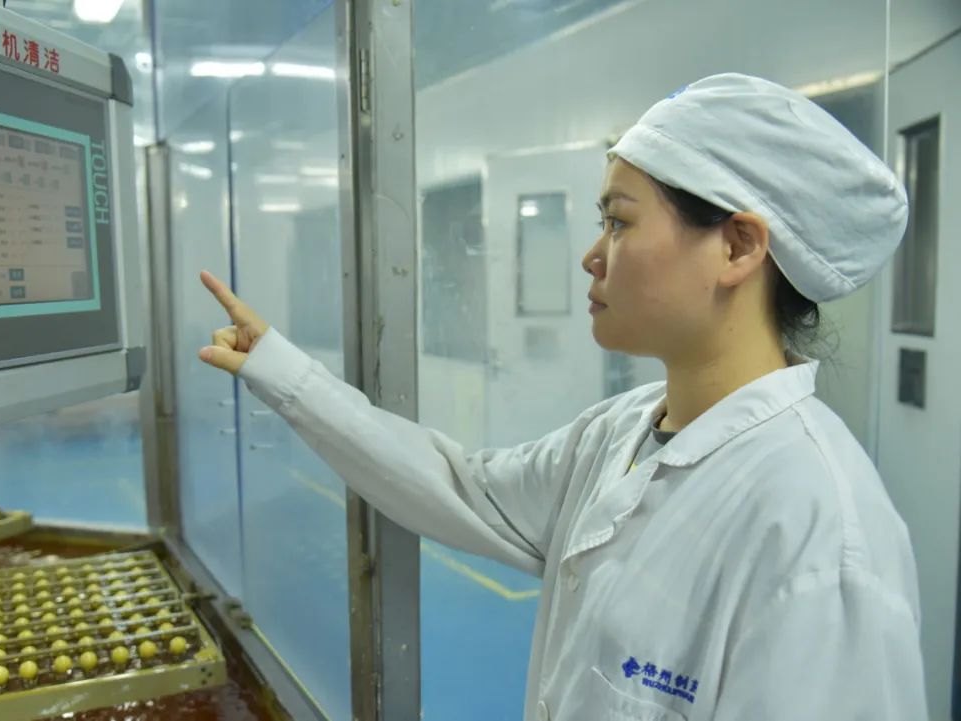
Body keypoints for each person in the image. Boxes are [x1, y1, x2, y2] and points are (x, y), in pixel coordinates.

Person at [198, 73, 927, 720]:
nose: (592, 254)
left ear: (737, 246)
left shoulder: (818, 533)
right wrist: (283, 372)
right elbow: (459, 486)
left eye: (619, 221)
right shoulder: (621, 433)